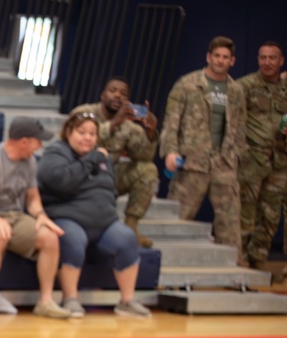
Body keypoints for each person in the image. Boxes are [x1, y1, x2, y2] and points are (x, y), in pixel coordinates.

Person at [37, 111, 152, 319]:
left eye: (92, 133)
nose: (88, 138)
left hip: (104, 223)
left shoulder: (103, 157)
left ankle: (127, 301)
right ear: (69, 132)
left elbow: (111, 189)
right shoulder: (56, 152)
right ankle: (70, 298)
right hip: (69, 218)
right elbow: (60, 182)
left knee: (126, 237)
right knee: (72, 238)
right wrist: (90, 160)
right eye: (82, 132)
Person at [0, 116, 71, 320]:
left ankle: (45, 301)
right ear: (24, 141)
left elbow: (33, 198)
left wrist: (41, 215)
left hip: (14, 217)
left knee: (49, 237)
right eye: (38, 140)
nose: (41, 145)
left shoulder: (29, 162)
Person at [160, 36, 247, 263]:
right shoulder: (187, 84)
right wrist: (170, 151)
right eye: (216, 56)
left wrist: (236, 154)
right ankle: (165, 264)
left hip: (224, 163)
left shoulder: (236, 91)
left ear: (232, 61)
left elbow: (240, 127)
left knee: (229, 221)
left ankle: (233, 272)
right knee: (179, 217)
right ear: (208, 57)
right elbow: (171, 121)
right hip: (192, 161)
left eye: (225, 57)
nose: (220, 60)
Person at [71, 76, 160, 248]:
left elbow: (143, 157)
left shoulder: (128, 127)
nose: (118, 96)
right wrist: (113, 124)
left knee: (147, 169)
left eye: (123, 94)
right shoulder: (83, 113)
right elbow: (78, 144)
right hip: (80, 174)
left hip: (109, 177)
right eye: (113, 91)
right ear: (102, 95)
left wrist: (150, 134)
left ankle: (131, 226)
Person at [237, 41, 287, 269]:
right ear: (258, 60)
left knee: (270, 215)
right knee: (245, 212)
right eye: (263, 57)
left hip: (280, 162)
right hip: (252, 159)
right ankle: (237, 260)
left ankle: (257, 259)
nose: (267, 62)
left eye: (272, 58)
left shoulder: (285, 89)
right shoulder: (245, 86)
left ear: (281, 61)